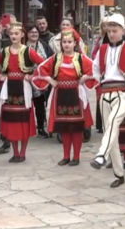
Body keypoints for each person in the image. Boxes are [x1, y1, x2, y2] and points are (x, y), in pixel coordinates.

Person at [32, 28, 94, 166]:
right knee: (64, 128)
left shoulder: (80, 58)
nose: (66, 44)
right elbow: (41, 68)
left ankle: (76, 157)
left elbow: (94, 68)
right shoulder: (56, 58)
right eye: (64, 42)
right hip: (60, 94)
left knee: (77, 128)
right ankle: (66, 156)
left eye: (69, 42)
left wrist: (84, 77)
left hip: (76, 95)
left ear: (74, 43)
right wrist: (51, 81)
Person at [89, 14, 125, 187]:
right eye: (109, 31)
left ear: (123, 31)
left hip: (122, 92)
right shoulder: (103, 49)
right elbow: (94, 66)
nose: (111, 34)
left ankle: (101, 155)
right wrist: (99, 80)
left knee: (113, 123)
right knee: (112, 134)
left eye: (115, 31)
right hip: (105, 93)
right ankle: (119, 174)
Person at [0, 22, 45, 163]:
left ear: (22, 35)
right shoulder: (5, 51)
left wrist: (32, 76)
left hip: (23, 89)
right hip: (9, 89)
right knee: (11, 121)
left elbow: (44, 64)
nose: (13, 36)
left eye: (16, 33)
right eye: (11, 33)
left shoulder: (28, 51)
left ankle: (22, 153)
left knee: (23, 120)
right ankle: (15, 153)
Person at [26, 24, 53, 138]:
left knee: (40, 104)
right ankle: (26, 127)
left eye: (36, 32)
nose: (34, 34)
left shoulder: (44, 45)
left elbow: (50, 59)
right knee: (26, 104)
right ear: (26, 34)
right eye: (31, 32)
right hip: (26, 78)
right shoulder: (23, 46)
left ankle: (41, 127)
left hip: (40, 79)